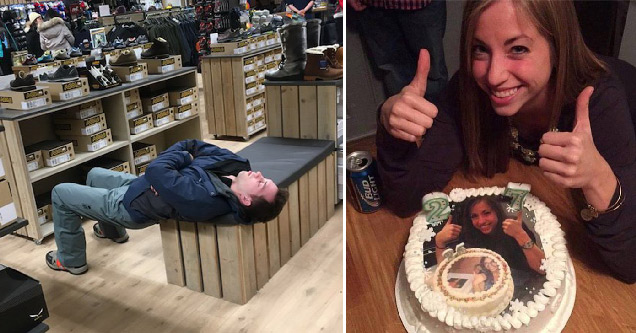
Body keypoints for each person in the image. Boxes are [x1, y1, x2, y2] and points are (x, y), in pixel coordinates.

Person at [377, 0, 636, 283]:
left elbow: (629, 265)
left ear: (558, 46)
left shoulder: (599, 102)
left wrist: (598, 178)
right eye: (481, 49)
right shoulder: (469, 91)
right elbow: (405, 199)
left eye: (518, 49)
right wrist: (392, 128)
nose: (494, 75)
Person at [45, 140, 289, 275]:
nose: (258, 174)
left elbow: (157, 169)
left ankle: (71, 260)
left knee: (60, 193)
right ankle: (112, 232)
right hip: (142, 187)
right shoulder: (235, 164)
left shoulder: (204, 199)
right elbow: (191, 144)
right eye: (263, 177)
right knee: (95, 174)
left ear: (245, 199)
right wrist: (166, 178)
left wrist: (179, 162)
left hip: (130, 206)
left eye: (261, 182)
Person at [348, 0, 448, 102]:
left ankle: (438, 116)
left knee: (432, 73)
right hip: (372, 6)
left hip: (420, 4)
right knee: (396, 81)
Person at [435, 197, 545, 274]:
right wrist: (439, 241)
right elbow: (449, 270)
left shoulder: (514, 226)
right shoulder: (470, 232)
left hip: (525, 284)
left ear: (496, 211)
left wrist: (520, 235)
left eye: (486, 213)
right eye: (474, 216)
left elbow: (543, 269)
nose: (481, 221)